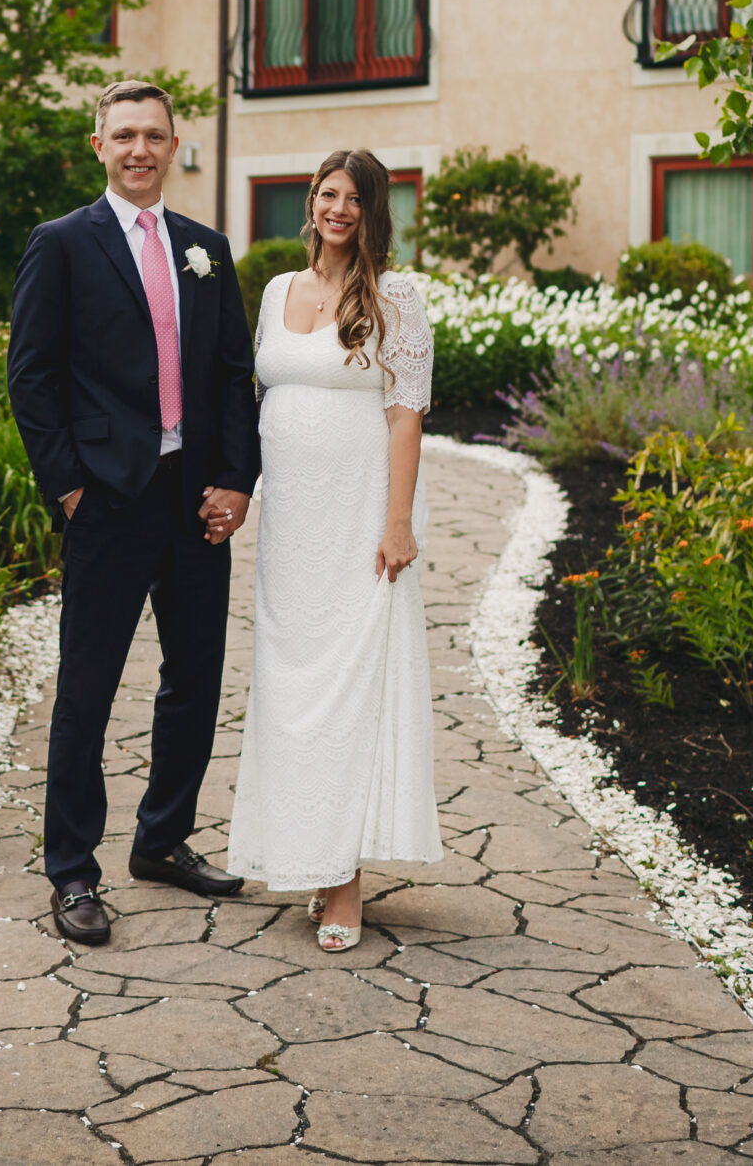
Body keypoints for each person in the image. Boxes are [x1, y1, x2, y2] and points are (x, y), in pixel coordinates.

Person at [7, 80, 261, 947]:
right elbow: (31, 377)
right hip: (108, 501)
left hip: (194, 501)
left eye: (155, 134)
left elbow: (233, 373)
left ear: (176, 143)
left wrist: (236, 480)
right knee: (87, 687)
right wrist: (69, 487)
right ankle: (72, 869)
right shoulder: (61, 244)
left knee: (194, 676)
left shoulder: (207, 248)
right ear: (99, 146)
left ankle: (162, 840)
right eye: (125, 135)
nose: (140, 148)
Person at [226, 148, 439, 952]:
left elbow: (404, 414)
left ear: (373, 210)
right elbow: (262, 396)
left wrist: (397, 522)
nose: (338, 207)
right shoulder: (279, 289)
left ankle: (345, 879)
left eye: (354, 197)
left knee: (349, 693)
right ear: (310, 202)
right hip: (290, 531)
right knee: (291, 693)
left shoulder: (397, 299)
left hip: (358, 524)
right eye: (327, 192)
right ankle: (310, 856)